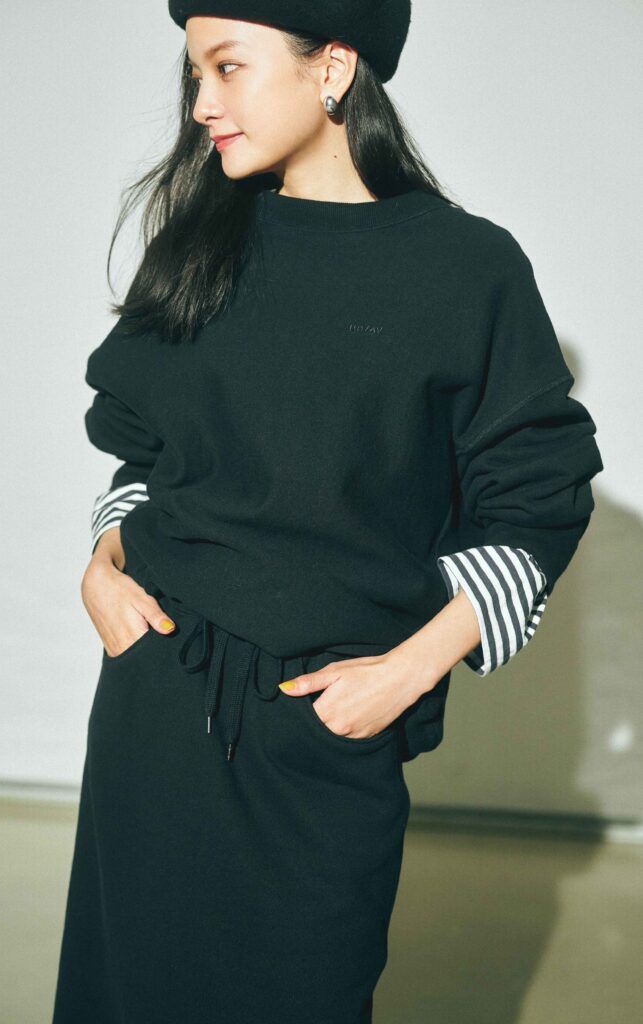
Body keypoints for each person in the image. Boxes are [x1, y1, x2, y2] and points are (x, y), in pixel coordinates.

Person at [51, 3, 604, 1022]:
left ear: (332, 68)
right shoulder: (197, 243)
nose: (201, 103)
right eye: (193, 73)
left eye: (227, 67)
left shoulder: (466, 267)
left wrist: (404, 672)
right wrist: (104, 563)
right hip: (154, 705)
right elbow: (144, 452)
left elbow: (537, 504)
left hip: (318, 728)